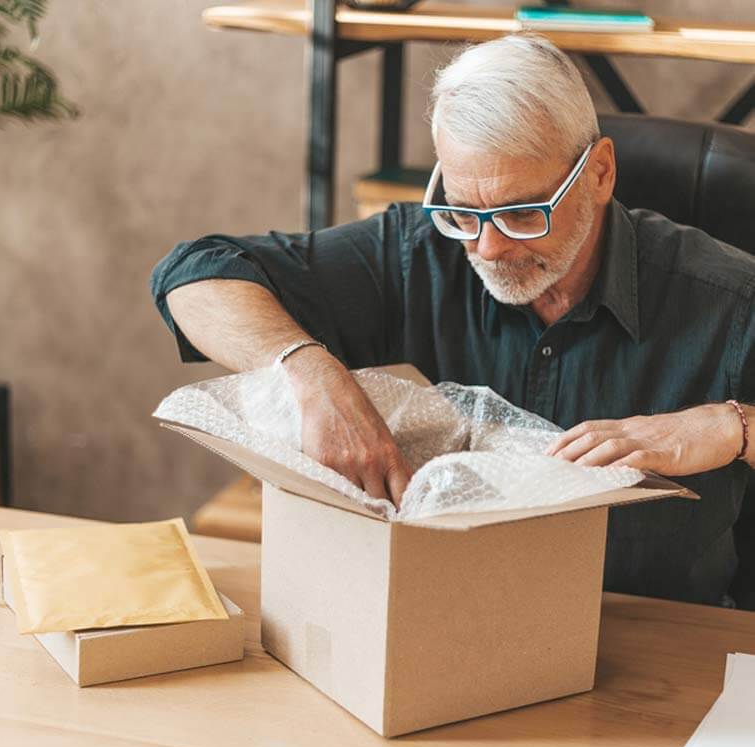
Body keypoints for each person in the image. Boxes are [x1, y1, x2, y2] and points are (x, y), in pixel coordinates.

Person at [150, 34, 754, 607]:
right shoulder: (420, 252)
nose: (486, 249)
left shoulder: (727, 297)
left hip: (663, 642)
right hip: (460, 623)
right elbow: (193, 276)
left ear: (598, 173)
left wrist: (735, 429)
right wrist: (310, 371)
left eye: (522, 214)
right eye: (463, 210)